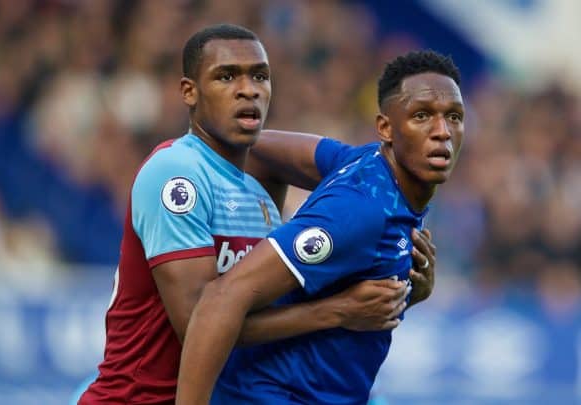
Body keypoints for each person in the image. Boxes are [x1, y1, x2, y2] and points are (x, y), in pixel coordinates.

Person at [78, 24, 436, 404]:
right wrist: (337, 311)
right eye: (226, 76)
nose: (248, 89)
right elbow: (198, 320)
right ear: (190, 92)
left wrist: (405, 283)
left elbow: (361, 170)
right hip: (135, 398)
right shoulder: (177, 174)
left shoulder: (258, 183)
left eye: (260, 76)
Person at [177, 49, 464, 405]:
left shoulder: (368, 165)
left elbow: (258, 148)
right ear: (386, 128)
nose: (442, 132)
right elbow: (219, 302)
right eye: (422, 116)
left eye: (454, 116)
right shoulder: (359, 211)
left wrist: (408, 290)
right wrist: (256, 244)